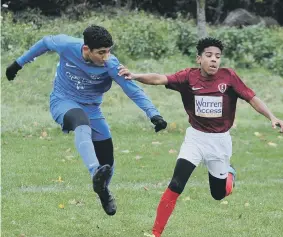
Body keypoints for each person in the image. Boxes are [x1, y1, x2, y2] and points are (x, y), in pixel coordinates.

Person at [118, 37, 283, 237]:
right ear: (199, 58)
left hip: (220, 142)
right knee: (176, 183)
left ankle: (230, 175)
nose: (214, 60)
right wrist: (134, 75)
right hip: (195, 139)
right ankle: (155, 234)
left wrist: (272, 117)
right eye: (209, 55)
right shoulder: (188, 77)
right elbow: (159, 79)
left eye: (217, 56)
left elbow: (252, 98)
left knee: (218, 194)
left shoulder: (229, 77)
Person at [5, 25, 167, 216]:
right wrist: (18, 64)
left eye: (108, 51)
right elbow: (45, 43)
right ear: (85, 49)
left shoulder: (111, 64)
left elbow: (132, 90)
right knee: (81, 122)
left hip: (92, 109)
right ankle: (94, 171)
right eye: (101, 53)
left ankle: (102, 189)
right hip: (63, 102)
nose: (106, 56)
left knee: (108, 160)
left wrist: (153, 114)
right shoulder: (67, 45)